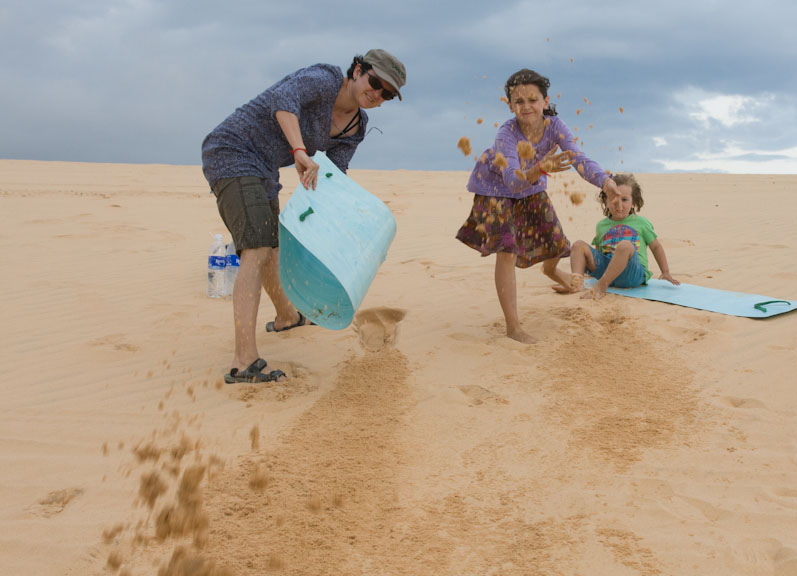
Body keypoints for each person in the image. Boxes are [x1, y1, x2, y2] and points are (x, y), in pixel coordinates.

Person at [201, 50, 407, 383]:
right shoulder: (325, 79)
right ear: (357, 70)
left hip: (265, 169)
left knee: (273, 243)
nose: (378, 93)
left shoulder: (357, 126)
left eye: (387, 93)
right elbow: (283, 98)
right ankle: (244, 361)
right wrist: (299, 150)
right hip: (233, 150)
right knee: (255, 248)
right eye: (375, 82)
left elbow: (332, 175)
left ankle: (287, 316)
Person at [456, 68, 617, 344]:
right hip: (494, 190)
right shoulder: (506, 134)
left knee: (555, 240)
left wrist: (604, 182)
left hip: (531, 185)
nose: (526, 106)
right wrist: (541, 167)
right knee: (506, 251)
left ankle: (551, 270)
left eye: (533, 99)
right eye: (519, 102)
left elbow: (578, 159)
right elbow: (513, 181)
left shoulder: (556, 126)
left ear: (545, 101)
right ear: (510, 106)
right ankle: (513, 327)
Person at [560, 173, 679, 300]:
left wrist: (665, 272)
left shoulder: (641, 223)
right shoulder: (601, 225)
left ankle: (601, 286)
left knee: (625, 246)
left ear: (634, 202)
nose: (619, 205)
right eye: (613, 199)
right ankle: (576, 284)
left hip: (632, 275)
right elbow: (599, 252)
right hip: (608, 272)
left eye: (624, 199)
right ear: (605, 201)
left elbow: (656, 247)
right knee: (578, 245)